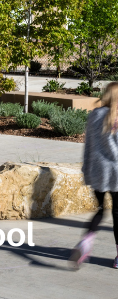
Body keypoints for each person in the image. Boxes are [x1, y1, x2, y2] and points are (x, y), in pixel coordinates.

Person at [71, 81, 118, 269]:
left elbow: (88, 145)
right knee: (117, 214)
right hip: (116, 172)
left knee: (100, 209)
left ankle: (86, 242)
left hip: (97, 171)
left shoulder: (94, 115)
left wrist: (86, 169)